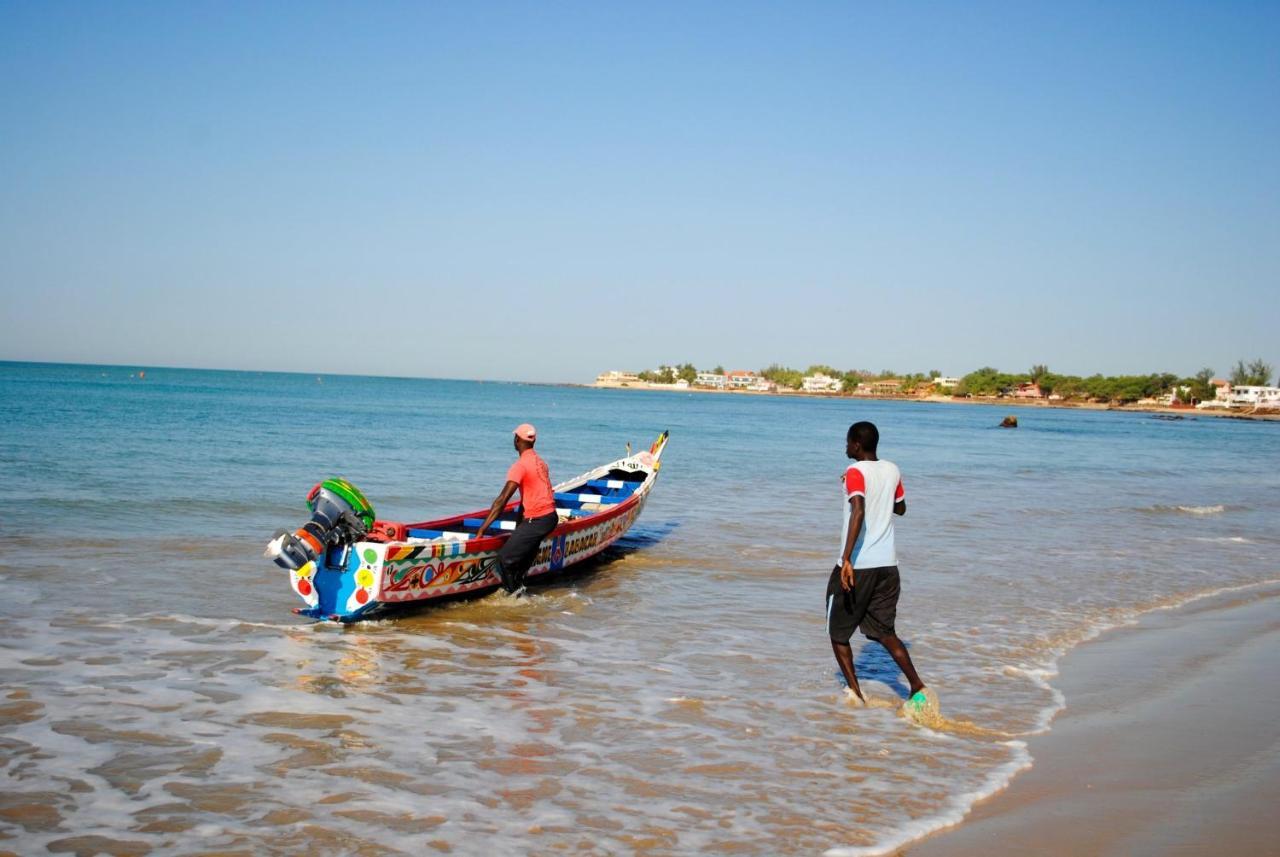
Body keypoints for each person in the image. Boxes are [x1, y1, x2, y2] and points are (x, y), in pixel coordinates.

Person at [826, 420, 929, 711]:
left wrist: (846, 559)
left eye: (848, 442)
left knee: (837, 632)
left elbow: (858, 509)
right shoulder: (892, 469)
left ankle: (856, 694)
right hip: (888, 566)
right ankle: (917, 687)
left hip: (859, 566)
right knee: (884, 632)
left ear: (856, 444)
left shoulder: (855, 471)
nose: (846, 447)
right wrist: (878, 495)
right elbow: (900, 508)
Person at [474, 423, 558, 594]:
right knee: (521, 562)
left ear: (517, 440)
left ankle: (514, 597)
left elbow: (502, 500)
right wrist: (519, 528)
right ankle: (520, 589)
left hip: (538, 519)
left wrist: (482, 530)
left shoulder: (519, 466)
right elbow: (526, 498)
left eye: (515, 437)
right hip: (550, 517)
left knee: (505, 559)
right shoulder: (541, 462)